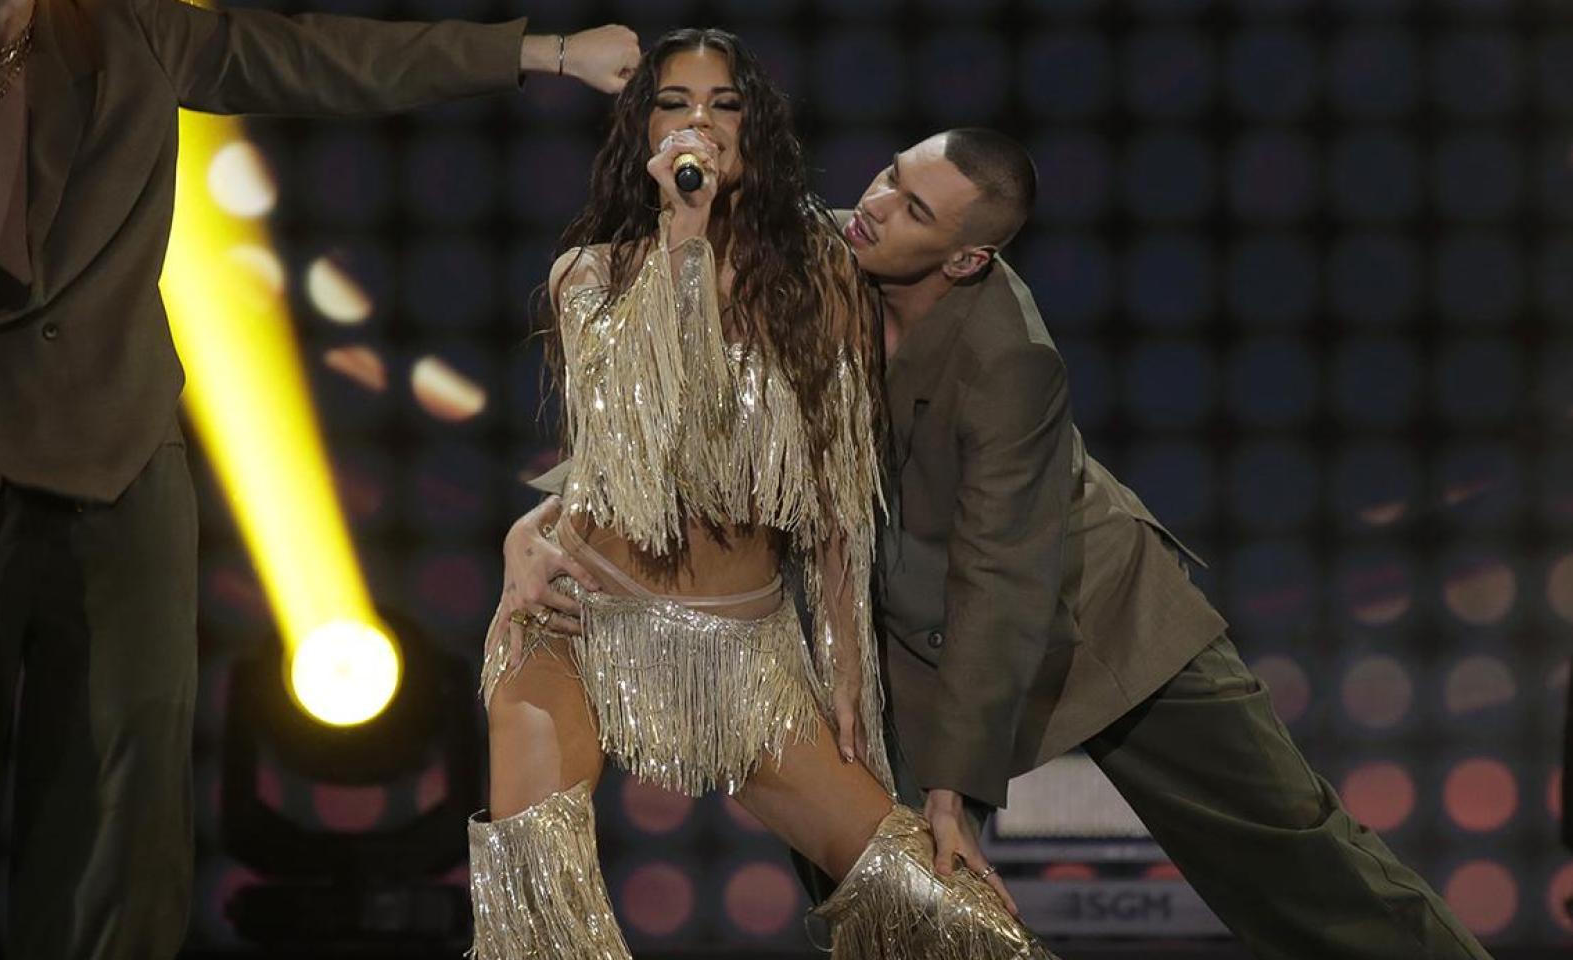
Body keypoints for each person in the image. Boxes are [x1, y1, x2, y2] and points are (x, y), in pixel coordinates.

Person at [506, 128, 1493, 960]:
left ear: (964, 260)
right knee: (872, 879)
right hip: (897, 637)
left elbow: (1003, 576)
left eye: (915, 211)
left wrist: (954, 788)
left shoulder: (1007, 358)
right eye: (888, 175)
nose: (875, 208)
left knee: (1290, 851)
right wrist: (539, 525)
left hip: (1089, 617)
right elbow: (674, 421)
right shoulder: (809, 261)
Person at [0, 0, 637, 956]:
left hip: (114, 462)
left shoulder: (127, 31)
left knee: (120, 812)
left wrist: (543, 51)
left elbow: (317, 57)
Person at [471, 29, 1053, 960]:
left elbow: (836, 491)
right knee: (543, 926)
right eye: (674, 103)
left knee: (946, 916)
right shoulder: (589, 276)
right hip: (579, 624)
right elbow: (649, 438)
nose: (699, 121)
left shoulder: (822, 277)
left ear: (757, 127)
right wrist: (685, 232)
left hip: (748, 657)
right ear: (645, 131)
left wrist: (846, 668)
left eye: (725, 103)